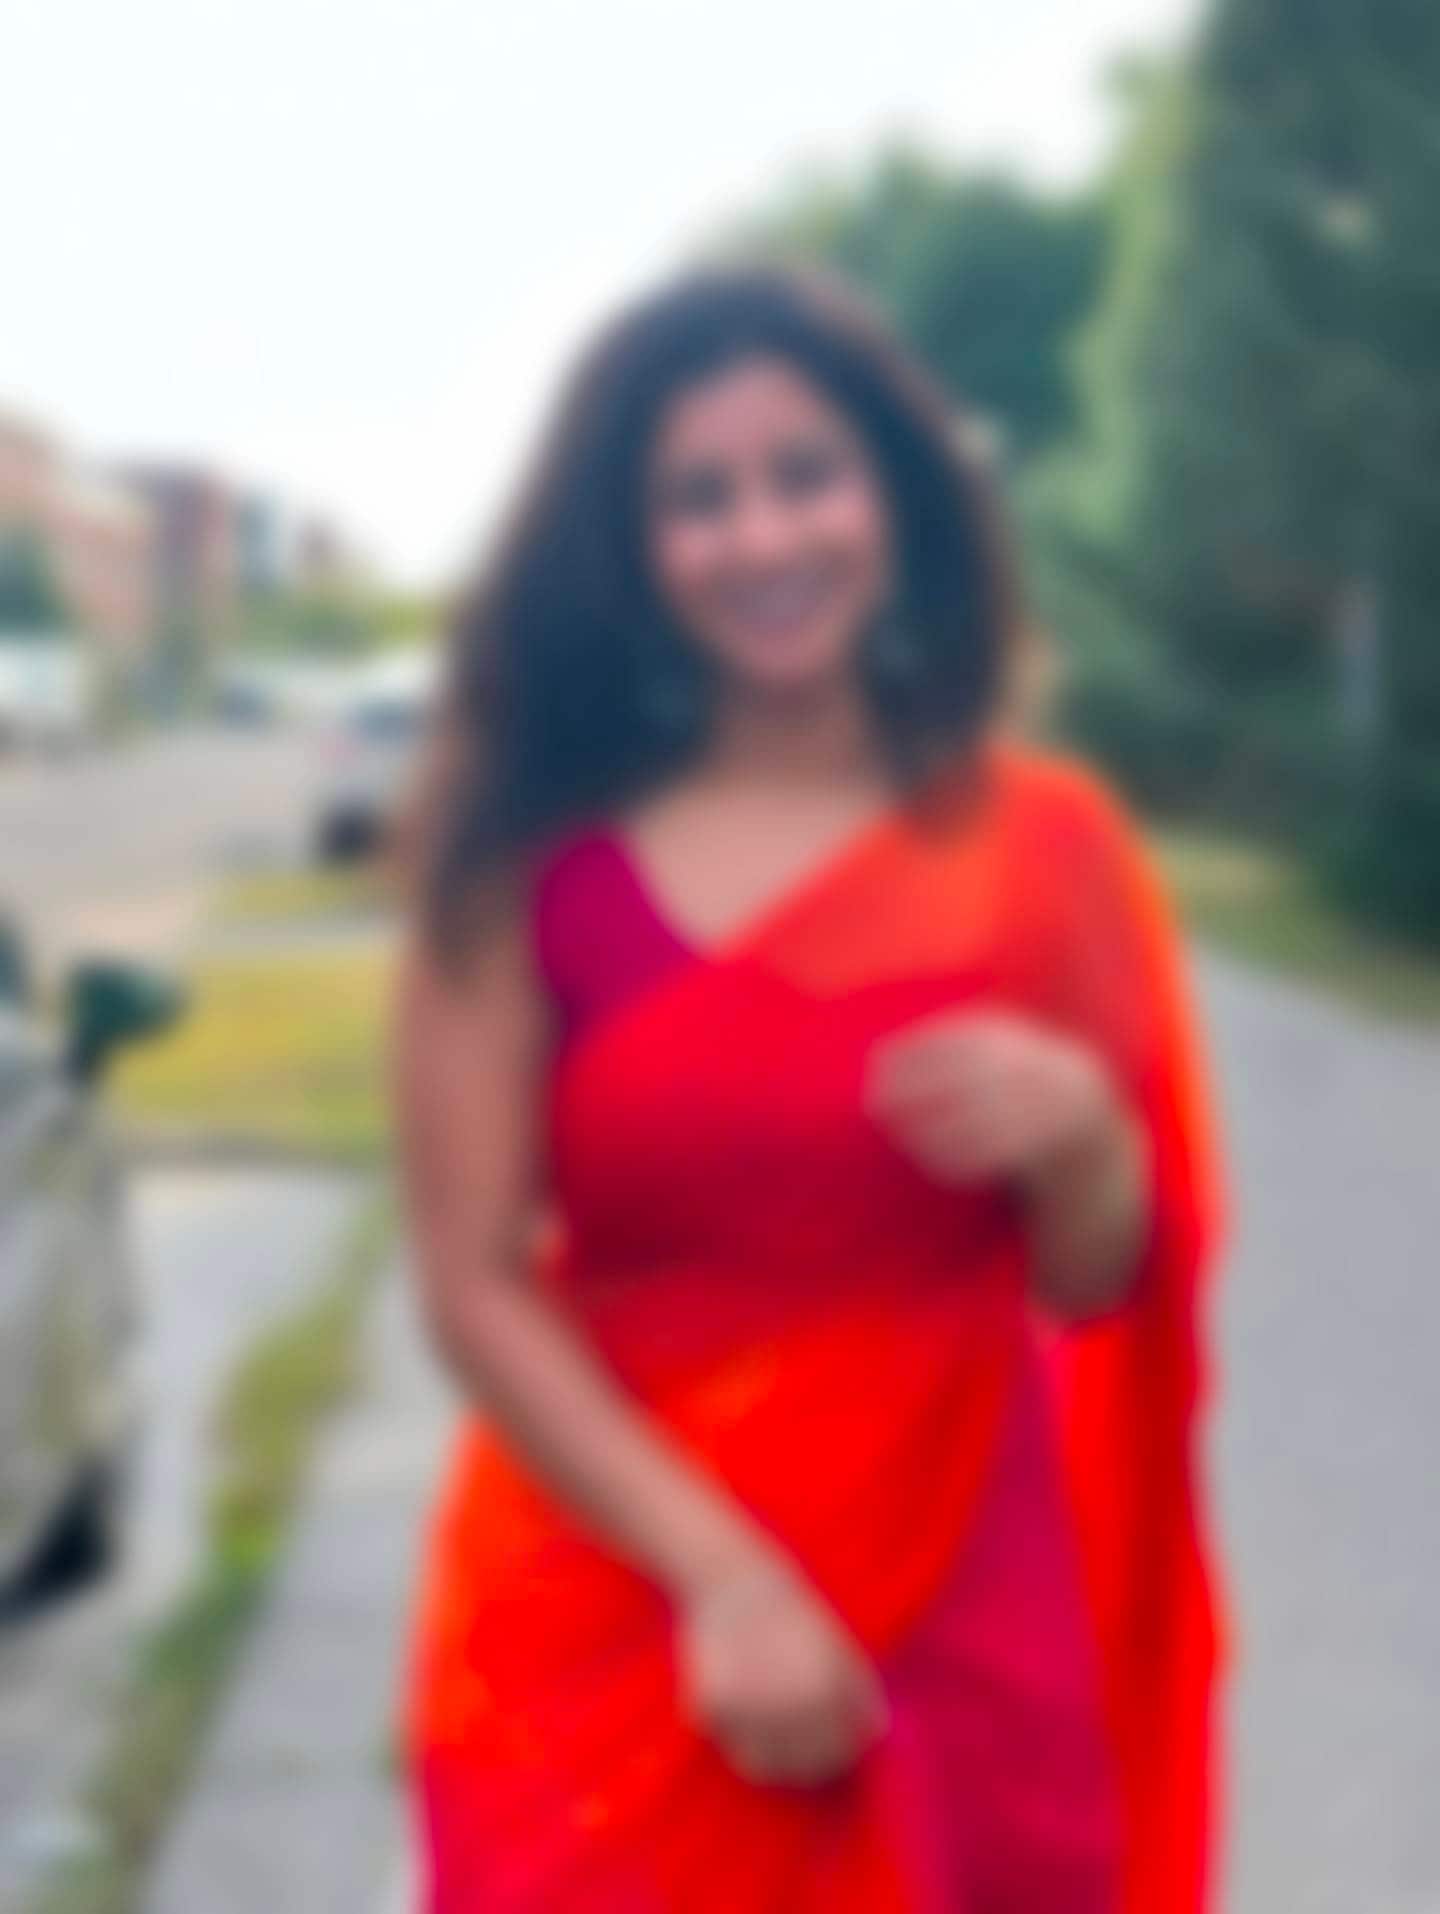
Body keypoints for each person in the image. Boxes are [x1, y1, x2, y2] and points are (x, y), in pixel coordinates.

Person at [389, 259, 1230, 1914]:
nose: (764, 536)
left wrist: (1089, 1144)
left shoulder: (1040, 849)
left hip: (964, 1603)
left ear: (895, 495)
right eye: (698, 499)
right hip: (616, 1618)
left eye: (806, 474)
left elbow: (1089, 1282)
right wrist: (728, 1581)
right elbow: (471, 1281)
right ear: (632, 548)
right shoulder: (520, 862)